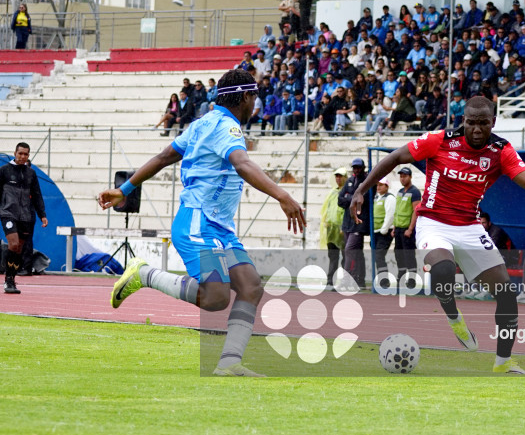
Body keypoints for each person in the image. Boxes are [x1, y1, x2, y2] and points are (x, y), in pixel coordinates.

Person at [97, 70, 304, 377]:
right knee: (216, 297)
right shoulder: (227, 127)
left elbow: (164, 156)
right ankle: (144, 274)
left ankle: (229, 363)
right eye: (254, 98)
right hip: (198, 224)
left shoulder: (203, 123)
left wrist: (124, 189)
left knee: (250, 286)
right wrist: (282, 195)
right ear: (246, 97)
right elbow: (242, 163)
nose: (255, 105)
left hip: (218, 227)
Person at [348, 96, 525, 374]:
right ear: (463, 121)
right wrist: (361, 189)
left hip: (469, 226)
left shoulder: (501, 150)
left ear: (493, 122)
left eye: (483, 123)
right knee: (443, 268)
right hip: (433, 222)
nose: (477, 129)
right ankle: (454, 317)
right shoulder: (440, 140)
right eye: (471, 123)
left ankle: (503, 362)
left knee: (506, 293)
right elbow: (395, 157)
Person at [0, 143, 47, 294]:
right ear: (15, 153)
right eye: (20, 153)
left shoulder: (31, 173)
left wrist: (42, 215)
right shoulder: (4, 170)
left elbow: (37, 195)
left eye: (25, 154)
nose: (22, 156)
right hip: (8, 213)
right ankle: (8, 280)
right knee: (13, 244)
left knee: (19, 249)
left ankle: (12, 279)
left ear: (28, 155)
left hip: (26, 216)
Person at [339, 158, 370, 290]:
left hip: (359, 223)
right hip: (347, 222)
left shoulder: (367, 181)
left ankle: (346, 280)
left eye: (358, 168)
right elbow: (340, 200)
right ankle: (359, 281)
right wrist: (353, 199)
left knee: (350, 250)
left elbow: (363, 200)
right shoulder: (350, 180)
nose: (356, 170)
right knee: (356, 253)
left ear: (363, 168)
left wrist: (349, 197)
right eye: (354, 168)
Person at [393, 167, 420, 288]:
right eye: (401, 176)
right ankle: (401, 277)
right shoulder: (400, 191)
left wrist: (410, 229)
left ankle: (412, 280)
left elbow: (416, 211)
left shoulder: (415, 192)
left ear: (410, 177)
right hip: (398, 228)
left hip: (407, 230)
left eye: (405, 176)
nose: (402, 179)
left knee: (409, 255)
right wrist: (394, 227)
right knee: (399, 254)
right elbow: (397, 210)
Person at [321, 167, 347, 287]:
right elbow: (327, 208)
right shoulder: (332, 192)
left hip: (342, 229)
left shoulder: (347, 192)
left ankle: (344, 280)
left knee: (345, 256)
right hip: (331, 228)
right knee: (333, 255)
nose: (338, 179)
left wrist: (343, 226)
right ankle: (330, 279)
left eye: (340, 176)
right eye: (337, 176)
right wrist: (325, 221)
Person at [373, 177, 396, 288]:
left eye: (381, 185)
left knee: (379, 255)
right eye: (377, 185)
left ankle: (384, 282)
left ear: (387, 186)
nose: (378, 187)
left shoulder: (390, 198)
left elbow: (390, 215)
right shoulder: (376, 197)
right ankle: (382, 280)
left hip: (384, 232)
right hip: (376, 232)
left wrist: (384, 229)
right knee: (377, 256)